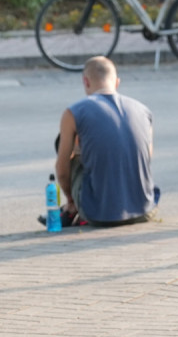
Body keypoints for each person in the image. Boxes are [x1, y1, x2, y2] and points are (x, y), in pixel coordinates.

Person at [52, 56, 157, 227]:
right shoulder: (143, 110)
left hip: (98, 214)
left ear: (85, 82)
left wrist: (72, 200)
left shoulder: (74, 112)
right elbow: (146, 157)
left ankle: (73, 208)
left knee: (66, 144)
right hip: (145, 210)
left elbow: (62, 169)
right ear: (117, 82)